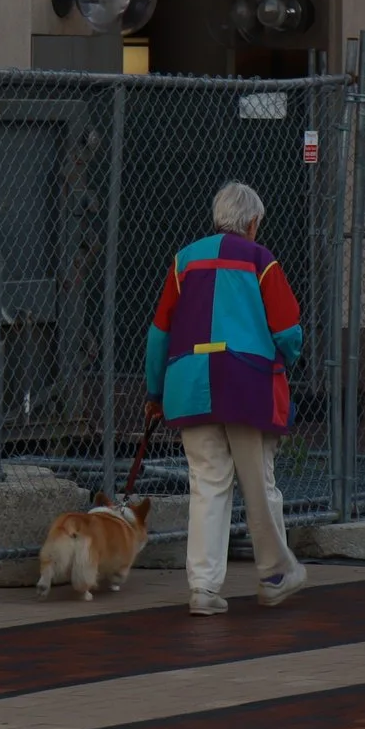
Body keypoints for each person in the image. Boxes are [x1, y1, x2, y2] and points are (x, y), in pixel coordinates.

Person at [142, 181, 307, 617]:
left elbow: (159, 333)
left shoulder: (184, 260)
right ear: (253, 223)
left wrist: (155, 392)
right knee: (260, 485)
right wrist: (287, 357)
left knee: (207, 485)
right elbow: (289, 331)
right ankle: (274, 576)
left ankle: (203, 589)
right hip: (248, 382)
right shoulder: (261, 260)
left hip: (190, 383)